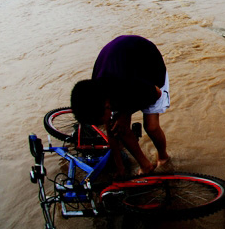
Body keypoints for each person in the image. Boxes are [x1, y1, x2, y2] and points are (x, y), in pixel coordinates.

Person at [70, 35, 171, 176]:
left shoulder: (126, 84)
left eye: (101, 120)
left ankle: (163, 157)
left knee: (151, 126)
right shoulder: (96, 90)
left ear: (106, 105)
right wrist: (120, 167)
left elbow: (157, 93)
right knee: (118, 127)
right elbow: (111, 131)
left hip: (149, 66)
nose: (103, 124)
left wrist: (125, 114)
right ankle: (146, 166)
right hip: (123, 64)